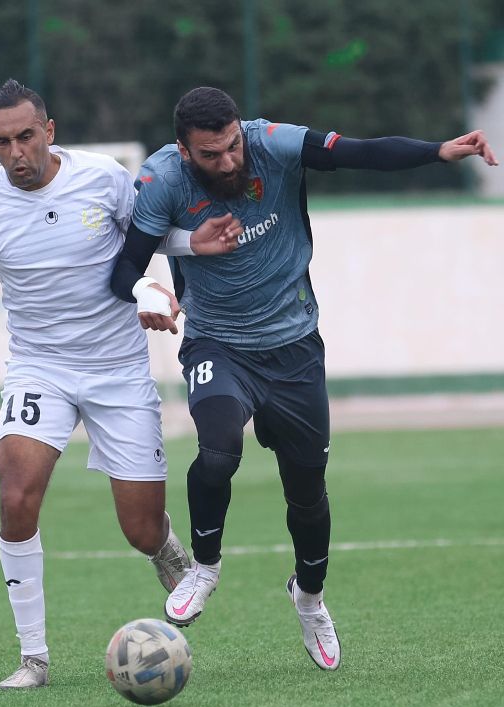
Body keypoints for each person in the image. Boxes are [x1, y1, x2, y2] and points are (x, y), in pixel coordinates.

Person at [110, 86, 499, 671]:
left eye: (233, 146)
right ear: (185, 152)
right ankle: (205, 567)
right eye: (211, 154)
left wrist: (436, 151)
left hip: (294, 348)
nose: (229, 162)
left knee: (308, 491)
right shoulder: (163, 180)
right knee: (217, 451)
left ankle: (309, 598)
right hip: (217, 343)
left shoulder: (274, 144)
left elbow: (359, 152)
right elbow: (123, 270)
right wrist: (147, 291)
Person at [0, 79, 242, 690]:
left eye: (26, 137)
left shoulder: (103, 177)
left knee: (140, 528)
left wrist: (187, 248)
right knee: (16, 496)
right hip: (40, 370)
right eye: (1, 143)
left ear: (49, 131)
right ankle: (33, 657)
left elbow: (148, 237)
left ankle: (165, 550)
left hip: (119, 371)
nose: (16, 153)